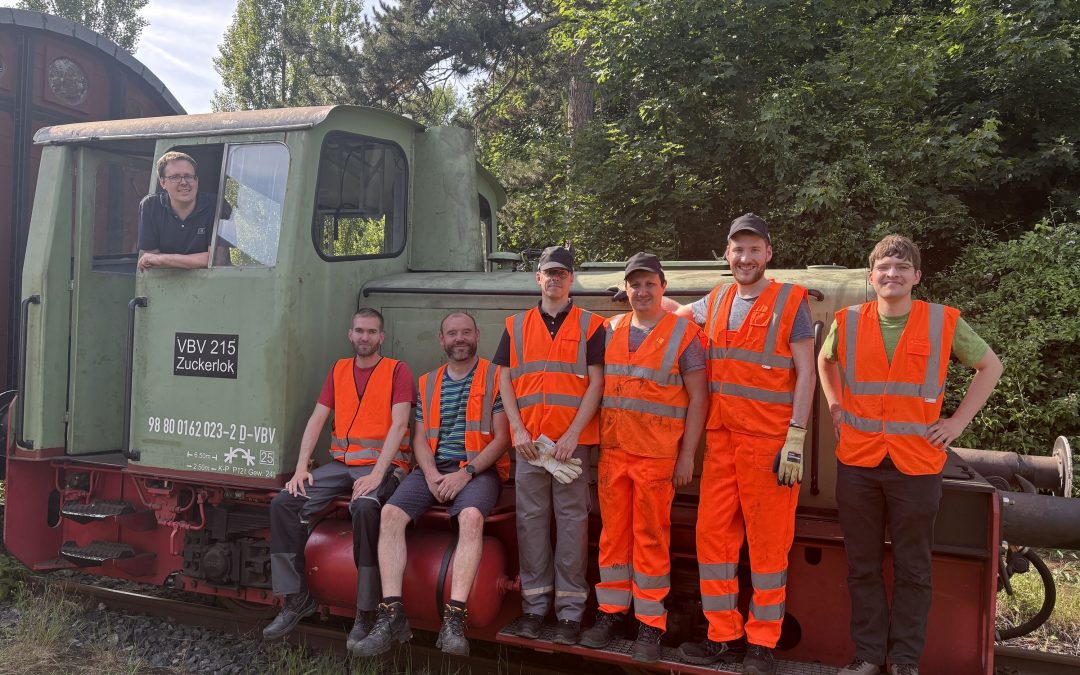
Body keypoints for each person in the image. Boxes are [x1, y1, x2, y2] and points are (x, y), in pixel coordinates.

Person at [819, 235, 1002, 675]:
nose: (892, 274)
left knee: (913, 569)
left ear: (917, 276)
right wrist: (836, 406)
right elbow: (826, 362)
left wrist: (956, 423)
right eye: (884, 267)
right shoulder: (848, 321)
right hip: (859, 463)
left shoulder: (941, 322)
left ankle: (903, 661)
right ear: (871, 276)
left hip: (917, 465)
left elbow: (990, 367)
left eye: (902, 267)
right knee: (862, 566)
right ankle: (866, 656)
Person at [673, 214, 816, 675]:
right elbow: (671, 316)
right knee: (713, 540)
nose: (745, 258)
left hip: (770, 446)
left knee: (769, 547)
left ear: (768, 254)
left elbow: (807, 373)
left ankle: (761, 644)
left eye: (754, 249)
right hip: (722, 443)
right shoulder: (715, 301)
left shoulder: (789, 302)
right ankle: (724, 636)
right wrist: (636, 302)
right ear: (727, 253)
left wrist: (796, 434)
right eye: (738, 249)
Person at [351, 312, 511, 657]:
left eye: (466, 332)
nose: (459, 338)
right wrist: (432, 474)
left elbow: (502, 438)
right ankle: (392, 615)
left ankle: (454, 620)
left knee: (470, 518)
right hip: (432, 468)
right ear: (442, 340)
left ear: (477, 335)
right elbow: (420, 438)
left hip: (477, 471)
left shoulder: (495, 376)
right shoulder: (427, 382)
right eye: (452, 333)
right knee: (390, 514)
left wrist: (465, 473)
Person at [578, 253, 708, 663]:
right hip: (615, 453)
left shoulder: (683, 335)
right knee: (612, 537)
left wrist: (687, 456)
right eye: (635, 284)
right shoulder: (609, 330)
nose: (642, 291)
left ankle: (650, 624)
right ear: (627, 289)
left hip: (657, 457)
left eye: (649, 283)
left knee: (651, 539)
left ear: (662, 286)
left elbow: (700, 398)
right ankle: (611, 612)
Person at [262, 308, 414, 644]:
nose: (365, 337)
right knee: (284, 504)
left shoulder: (397, 371)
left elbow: (400, 425)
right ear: (350, 334)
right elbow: (318, 418)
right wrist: (302, 467)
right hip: (340, 466)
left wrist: (377, 474)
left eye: (372, 332)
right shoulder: (339, 370)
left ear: (381, 337)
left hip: (384, 467)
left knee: (364, 508)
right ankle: (296, 598)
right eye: (359, 331)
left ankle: (366, 611)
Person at [493, 245, 605, 645]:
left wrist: (573, 434)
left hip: (570, 447)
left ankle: (570, 616)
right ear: (538, 278)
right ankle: (534, 609)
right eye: (548, 273)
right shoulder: (516, 325)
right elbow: (504, 380)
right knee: (531, 524)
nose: (554, 279)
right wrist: (518, 431)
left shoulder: (592, 326)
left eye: (561, 273)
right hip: (529, 447)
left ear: (571, 279)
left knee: (574, 525)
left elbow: (597, 383)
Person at [137, 151, 219, 270]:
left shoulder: (215, 205)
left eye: (188, 176)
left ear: (196, 180)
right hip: (165, 284)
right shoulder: (150, 206)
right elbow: (151, 262)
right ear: (163, 182)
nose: (184, 182)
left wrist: (162, 259)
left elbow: (216, 259)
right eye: (175, 177)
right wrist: (197, 260)